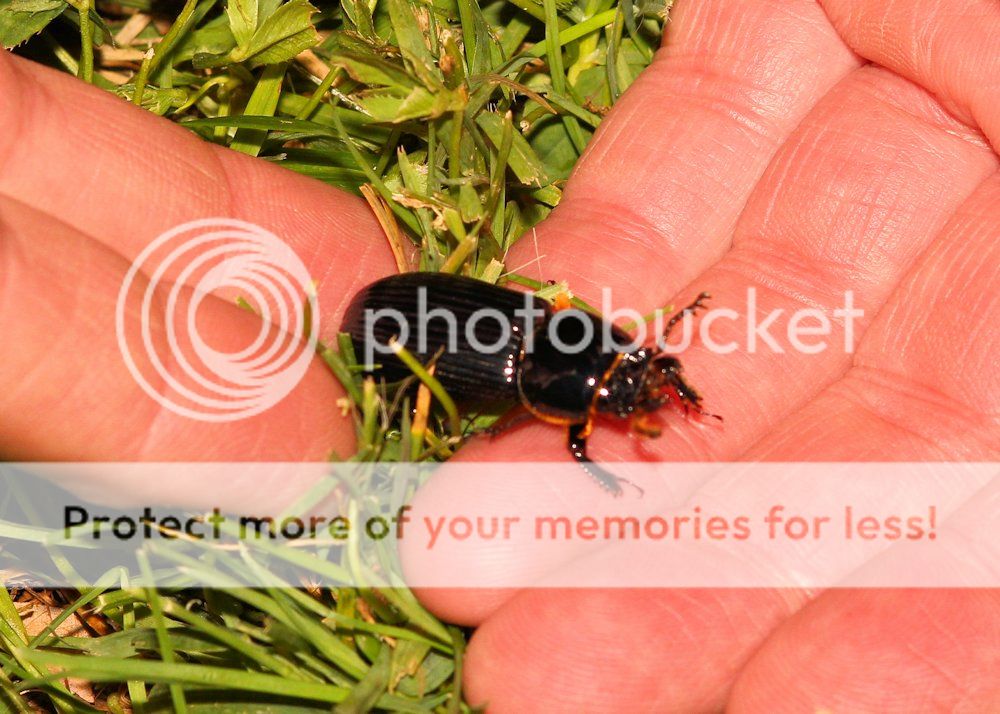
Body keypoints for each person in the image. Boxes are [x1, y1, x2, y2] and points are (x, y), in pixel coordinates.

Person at [1, 0, 997, 709]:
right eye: (620, 384)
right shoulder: (536, 379)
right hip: (400, 330)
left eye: (625, 379)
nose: (639, 386)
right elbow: (569, 424)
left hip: (444, 325)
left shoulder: (559, 350)